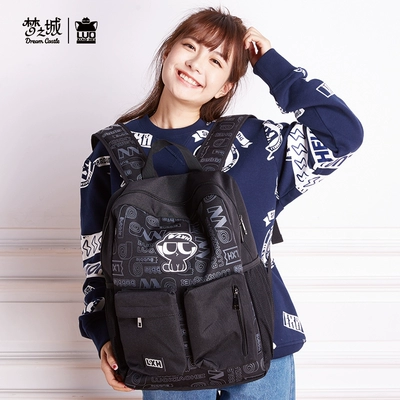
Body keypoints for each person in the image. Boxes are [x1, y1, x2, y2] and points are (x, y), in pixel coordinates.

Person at [79, 7, 363, 399]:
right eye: (190, 46)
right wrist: (104, 335)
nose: (196, 63)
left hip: (259, 340)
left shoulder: (257, 144)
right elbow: (96, 257)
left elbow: (342, 133)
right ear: (168, 52)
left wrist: (273, 67)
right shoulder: (110, 152)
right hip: (159, 345)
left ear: (225, 87)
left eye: (216, 61)